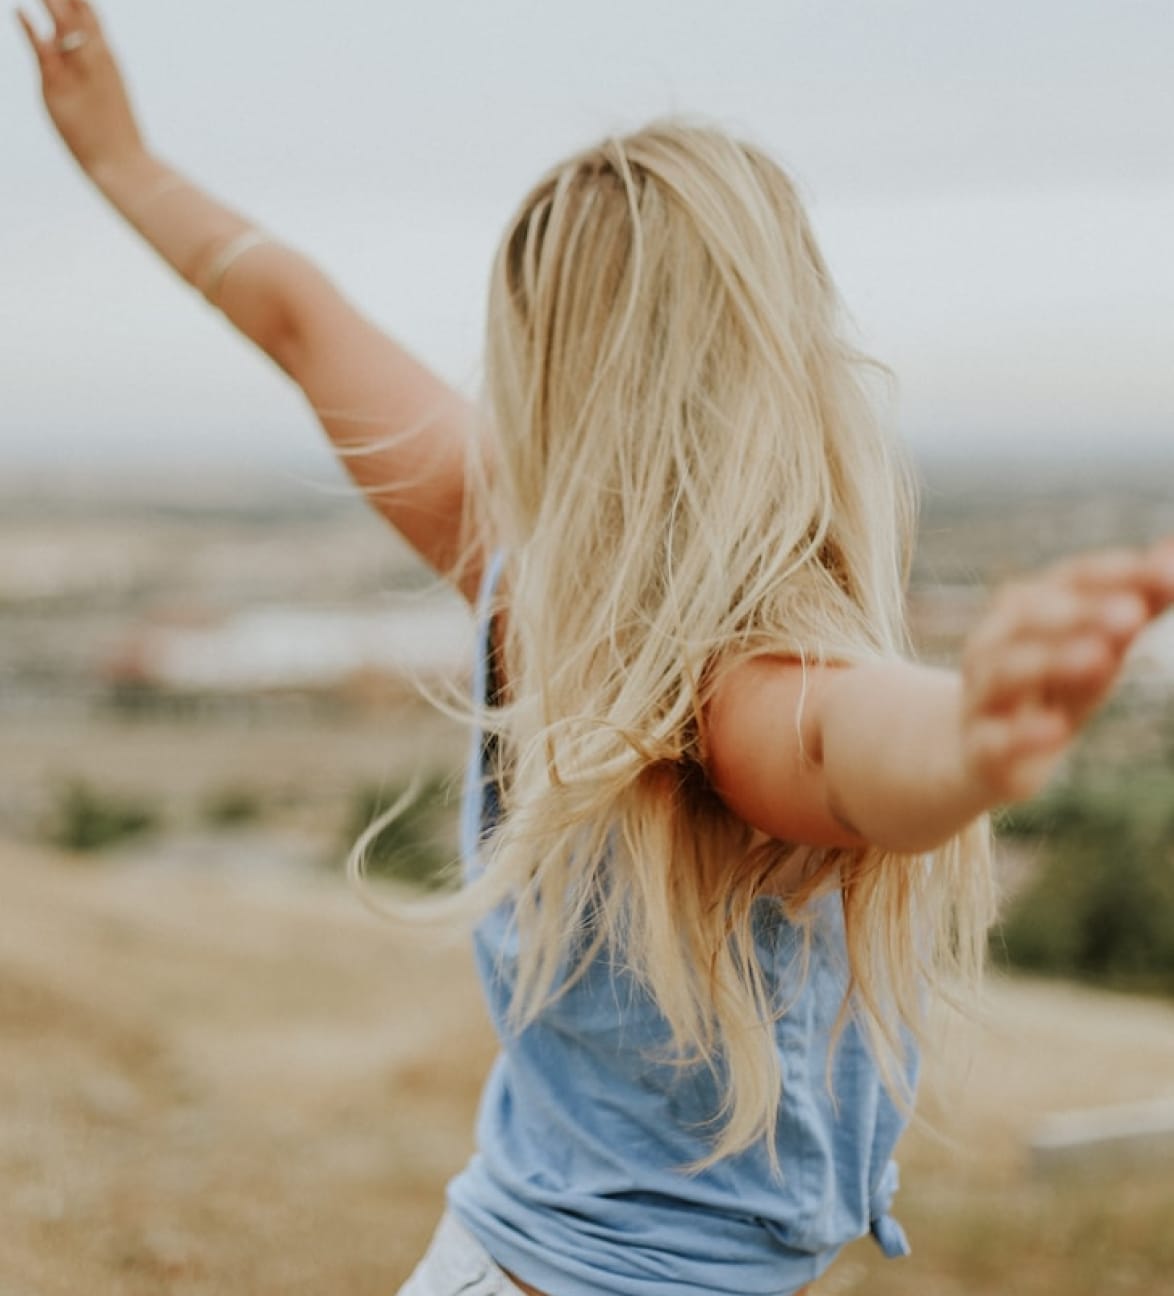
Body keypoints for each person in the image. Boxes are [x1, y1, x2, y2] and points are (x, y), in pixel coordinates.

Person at [19, 4, 1174, 1293]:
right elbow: (852, 751)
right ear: (782, 363)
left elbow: (297, 318)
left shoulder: (522, 572)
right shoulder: (727, 694)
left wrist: (121, 162)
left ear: (550, 366)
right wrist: (967, 735)